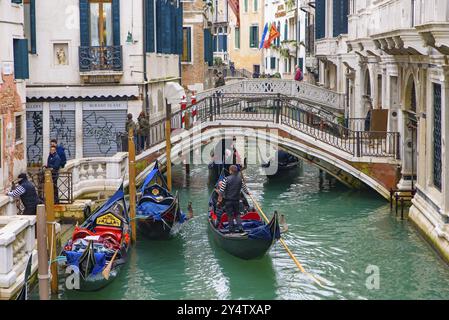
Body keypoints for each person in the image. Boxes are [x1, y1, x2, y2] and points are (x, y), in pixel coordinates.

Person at [218, 165, 251, 233]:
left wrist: (220, 197)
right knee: (237, 214)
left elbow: (221, 190)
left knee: (230, 215)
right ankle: (240, 228)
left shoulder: (226, 179)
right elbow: (244, 189)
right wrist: (248, 193)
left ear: (230, 171)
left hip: (228, 201)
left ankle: (231, 230)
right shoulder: (240, 180)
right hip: (236, 201)